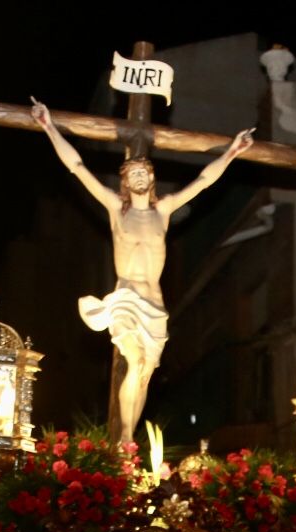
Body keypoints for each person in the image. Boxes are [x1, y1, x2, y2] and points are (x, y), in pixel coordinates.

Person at [30, 97, 255, 435]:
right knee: (135, 362)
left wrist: (232, 151)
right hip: (126, 297)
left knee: (147, 370)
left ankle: (129, 438)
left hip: (155, 302)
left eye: (144, 172)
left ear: (151, 180)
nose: (138, 176)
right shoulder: (115, 208)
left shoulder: (161, 211)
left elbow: (204, 181)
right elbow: (76, 167)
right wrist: (49, 127)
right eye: (133, 173)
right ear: (125, 181)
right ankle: (122, 438)